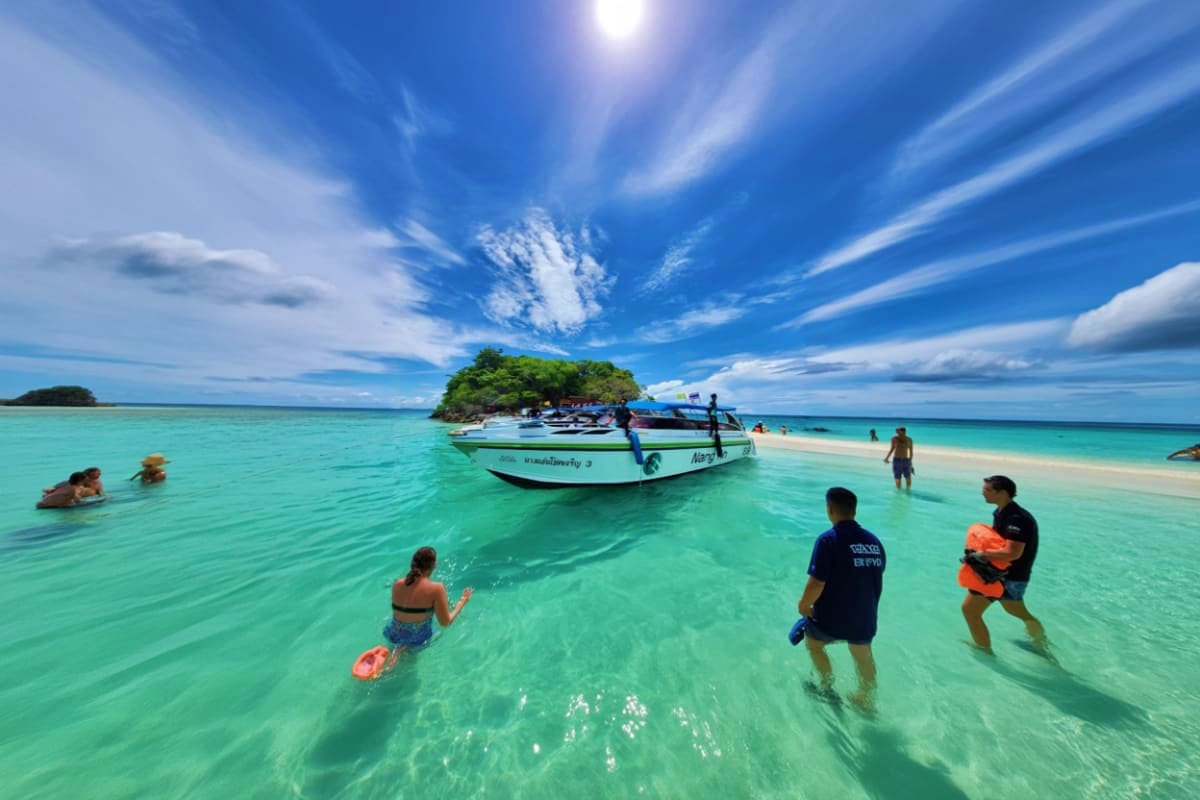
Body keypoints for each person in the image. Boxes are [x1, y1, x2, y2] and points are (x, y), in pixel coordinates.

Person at [797, 487, 886, 711]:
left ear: (829, 509)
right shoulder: (874, 542)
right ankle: (865, 699)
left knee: (814, 645)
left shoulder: (828, 540)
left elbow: (817, 582)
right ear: (854, 511)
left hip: (832, 617)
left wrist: (804, 605)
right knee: (863, 655)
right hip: (865, 617)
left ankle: (827, 688)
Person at [961, 476, 1047, 654]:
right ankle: (1041, 645)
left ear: (1003, 493)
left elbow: (1012, 553)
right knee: (1018, 612)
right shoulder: (1001, 512)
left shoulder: (1017, 519)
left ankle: (984, 652)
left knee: (970, 610)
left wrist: (981, 555)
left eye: (988, 490)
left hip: (1006, 578)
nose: (982, 492)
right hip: (1009, 575)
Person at [385, 546, 472, 667]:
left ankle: (397, 651)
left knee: (397, 652)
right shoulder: (437, 588)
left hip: (393, 631)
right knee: (412, 660)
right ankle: (402, 649)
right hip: (417, 637)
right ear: (434, 565)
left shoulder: (398, 583)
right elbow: (445, 622)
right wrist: (462, 601)